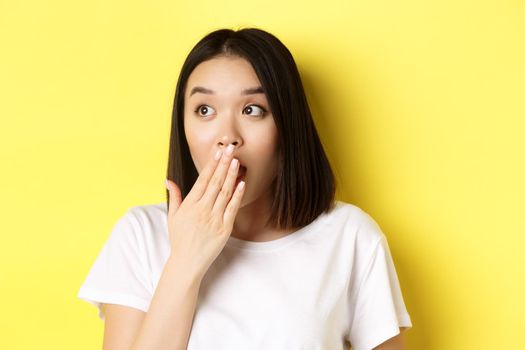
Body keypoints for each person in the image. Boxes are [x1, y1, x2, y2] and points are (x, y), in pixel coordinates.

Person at [77, 27, 413, 350]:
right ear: (184, 129)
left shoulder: (349, 236)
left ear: (287, 129)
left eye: (252, 110)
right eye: (204, 110)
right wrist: (185, 260)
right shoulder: (140, 235)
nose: (228, 136)